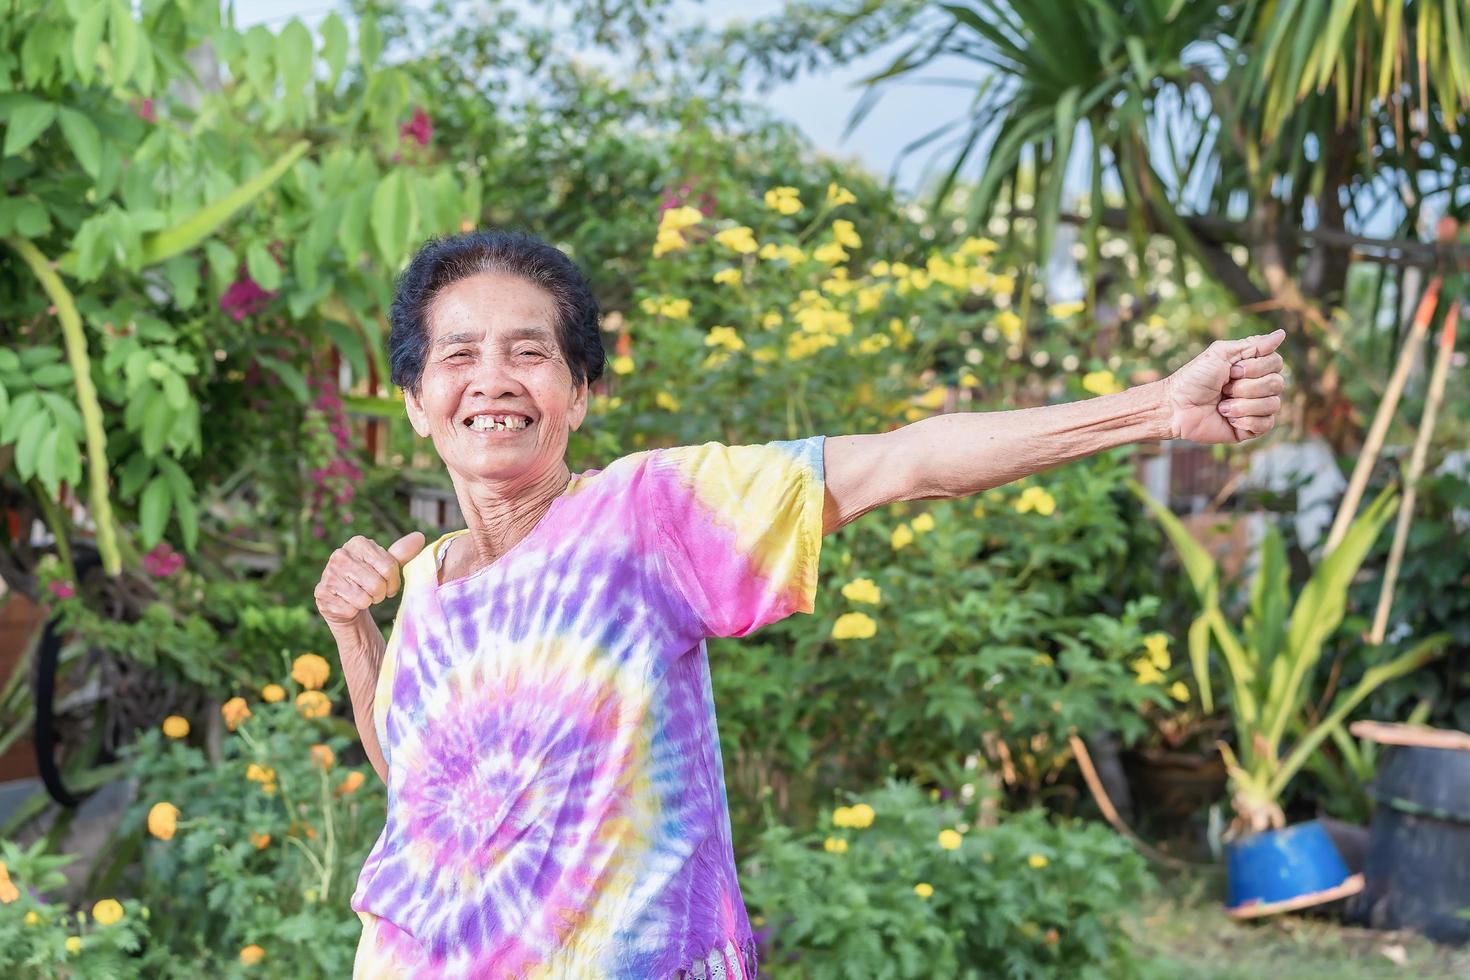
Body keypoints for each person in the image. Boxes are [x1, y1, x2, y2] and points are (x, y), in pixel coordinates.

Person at [314, 229, 1286, 979]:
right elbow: (421, 783)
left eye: (528, 352)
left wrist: (1155, 406)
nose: (492, 378)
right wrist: (355, 633)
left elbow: (910, 459)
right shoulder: (431, 579)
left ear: (578, 392)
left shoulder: (646, 514)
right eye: (458, 354)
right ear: (415, 398)